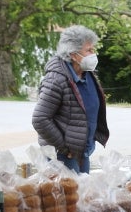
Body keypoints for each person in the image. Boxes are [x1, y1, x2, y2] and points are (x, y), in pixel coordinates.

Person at [32, 25, 109, 173]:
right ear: (73, 55)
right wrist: (64, 147)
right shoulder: (56, 79)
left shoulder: (88, 74)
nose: (93, 54)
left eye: (93, 49)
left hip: (81, 152)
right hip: (63, 156)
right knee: (68, 195)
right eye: (88, 50)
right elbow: (40, 119)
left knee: (82, 194)